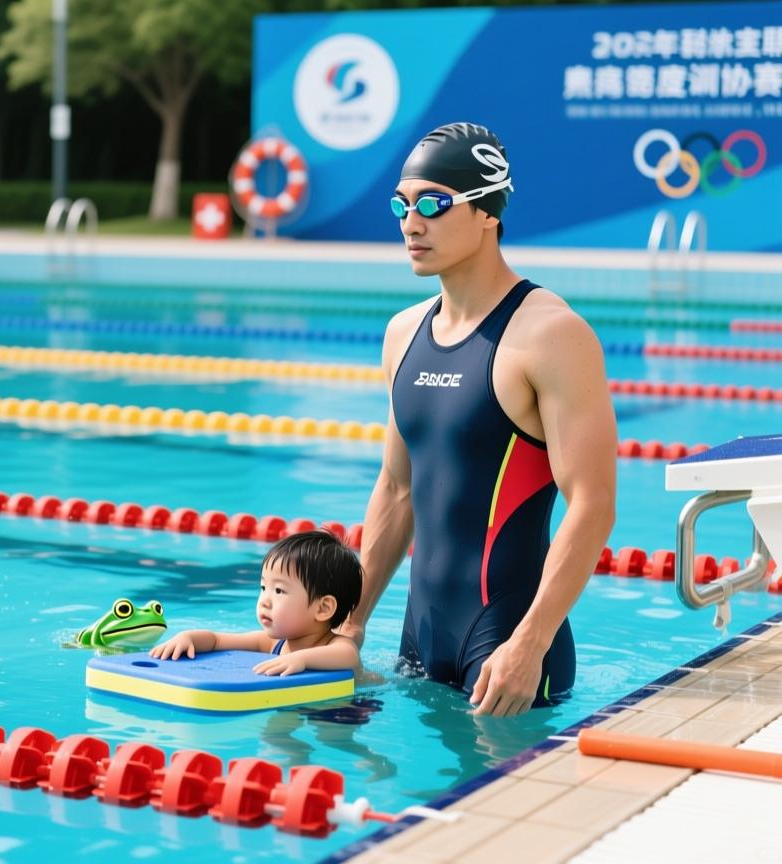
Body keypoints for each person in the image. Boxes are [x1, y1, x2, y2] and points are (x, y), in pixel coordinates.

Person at [341, 122, 617, 716]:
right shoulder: (403, 333)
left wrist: (531, 642)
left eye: (434, 204)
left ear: (489, 210)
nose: (411, 224)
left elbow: (592, 504)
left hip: (513, 648)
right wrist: (351, 623)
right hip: (419, 641)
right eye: (402, 205)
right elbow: (396, 488)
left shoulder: (550, 335)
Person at [150, 530, 363, 677]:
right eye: (263, 588)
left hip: (351, 707)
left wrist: (301, 660)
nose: (264, 601)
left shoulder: (336, 645)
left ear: (323, 608)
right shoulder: (271, 644)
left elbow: (348, 656)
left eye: (279, 590)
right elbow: (216, 641)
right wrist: (188, 637)